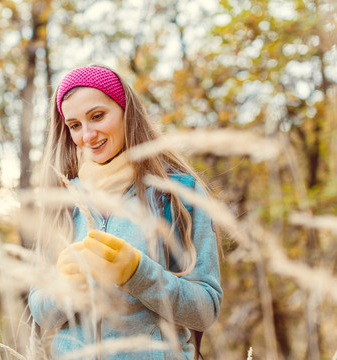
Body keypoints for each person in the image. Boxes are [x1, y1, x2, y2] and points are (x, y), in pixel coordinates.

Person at [28, 65, 223, 360]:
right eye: (75, 125)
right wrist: (63, 289)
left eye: (97, 116)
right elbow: (42, 312)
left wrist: (138, 273)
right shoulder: (63, 200)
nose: (88, 135)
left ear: (125, 111)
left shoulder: (176, 194)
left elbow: (205, 311)